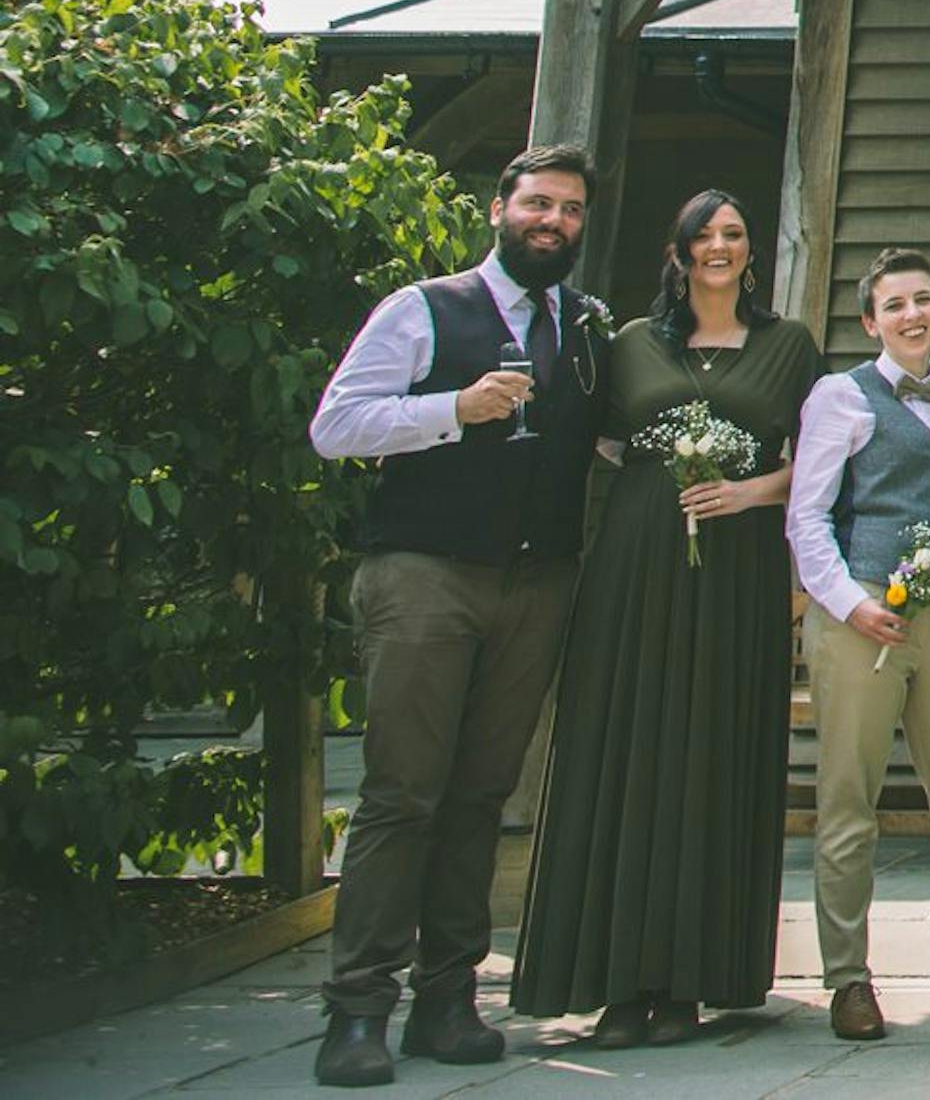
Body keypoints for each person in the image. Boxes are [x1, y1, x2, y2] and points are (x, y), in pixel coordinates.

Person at [303, 143, 606, 1088]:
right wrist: (455, 408)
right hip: (426, 575)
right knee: (403, 796)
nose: (552, 221)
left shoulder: (584, 326)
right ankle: (357, 1009)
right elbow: (336, 426)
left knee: (482, 797)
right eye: (538, 205)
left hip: (536, 584)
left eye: (569, 211)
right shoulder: (423, 309)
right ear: (498, 210)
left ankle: (447, 998)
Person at [511, 190, 823, 1045]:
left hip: (737, 574)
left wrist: (749, 488)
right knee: (626, 748)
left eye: (734, 235)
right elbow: (600, 443)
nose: (718, 247)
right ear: (678, 252)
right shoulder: (629, 346)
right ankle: (615, 980)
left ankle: (689, 980)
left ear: (750, 254)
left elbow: (827, 458)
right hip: (636, 568)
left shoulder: (788, 346)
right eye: (703, 236)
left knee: (707, 751)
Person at [786, 249, 930, 1042]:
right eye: (896, 305)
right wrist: (847, 604)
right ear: (870, 321)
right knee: (850, 800)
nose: (914, 314)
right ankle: (848, 978)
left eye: (925, 300)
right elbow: (806, 517)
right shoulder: (841, 397)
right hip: (861, 616)